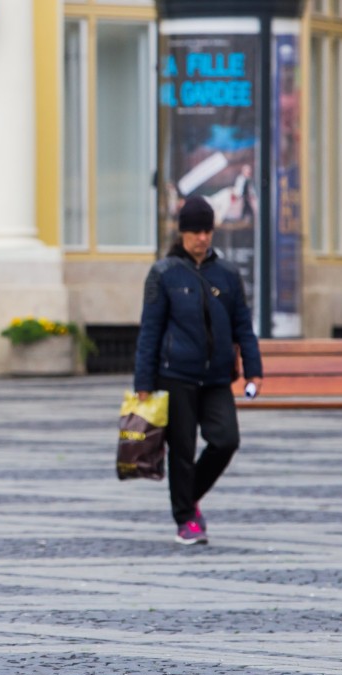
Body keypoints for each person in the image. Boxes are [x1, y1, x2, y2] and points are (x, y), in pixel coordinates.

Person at [133, 196, 263, 545]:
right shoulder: (163, 273)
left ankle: (189, 497)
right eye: (195, 231)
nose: (202, 238)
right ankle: (186, 519)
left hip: (218, 376)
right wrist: (143, 383)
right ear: (182, 232)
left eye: (207, 230)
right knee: (182, 450)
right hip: (175, 376)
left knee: (226, 440)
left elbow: (242, 326)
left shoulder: (228, 274)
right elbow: (150, 331)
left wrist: (254, 370)